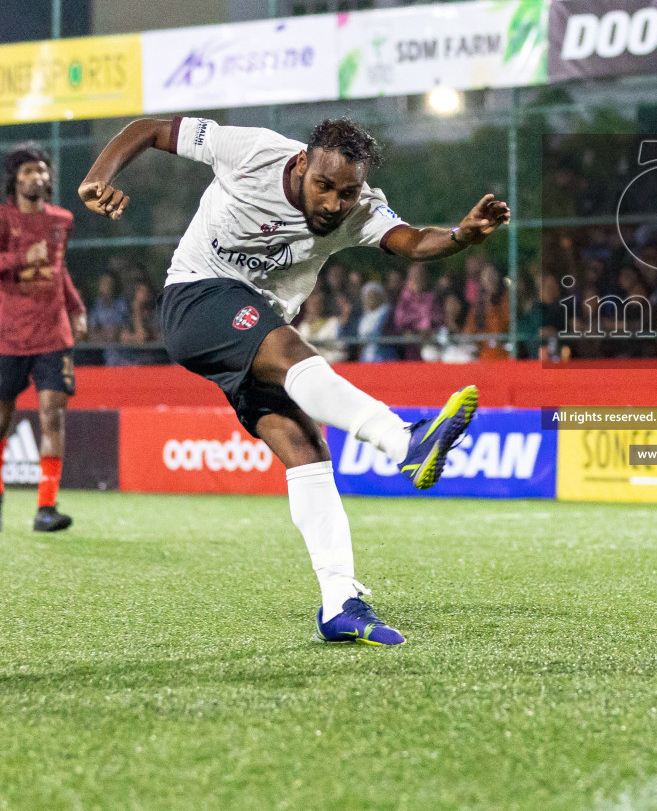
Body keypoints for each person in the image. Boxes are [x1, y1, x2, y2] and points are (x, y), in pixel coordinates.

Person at [77, 114, 509, 646]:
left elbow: (412, 240)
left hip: (256, 319)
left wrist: (462, 236)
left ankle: (339, 604)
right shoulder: (251, 151)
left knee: (305, 446)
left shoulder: (360, 208)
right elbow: (151, 129)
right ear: (302, 164)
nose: (332, 202)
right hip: (195, 297)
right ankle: (401, 440)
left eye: (346, 192)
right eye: (323, 185)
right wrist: (98, 176)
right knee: (288, 350)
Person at [0, 145, 88, 533]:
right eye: (28, 171)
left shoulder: (62, 219)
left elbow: (58, 268)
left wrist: (76, 307)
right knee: (0, 417)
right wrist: (20, 257)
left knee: (53, 415)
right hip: (10, 336)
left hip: (54, 333)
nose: (38, 176)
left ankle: (45, 508)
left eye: (42, 170)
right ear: (15, 179)